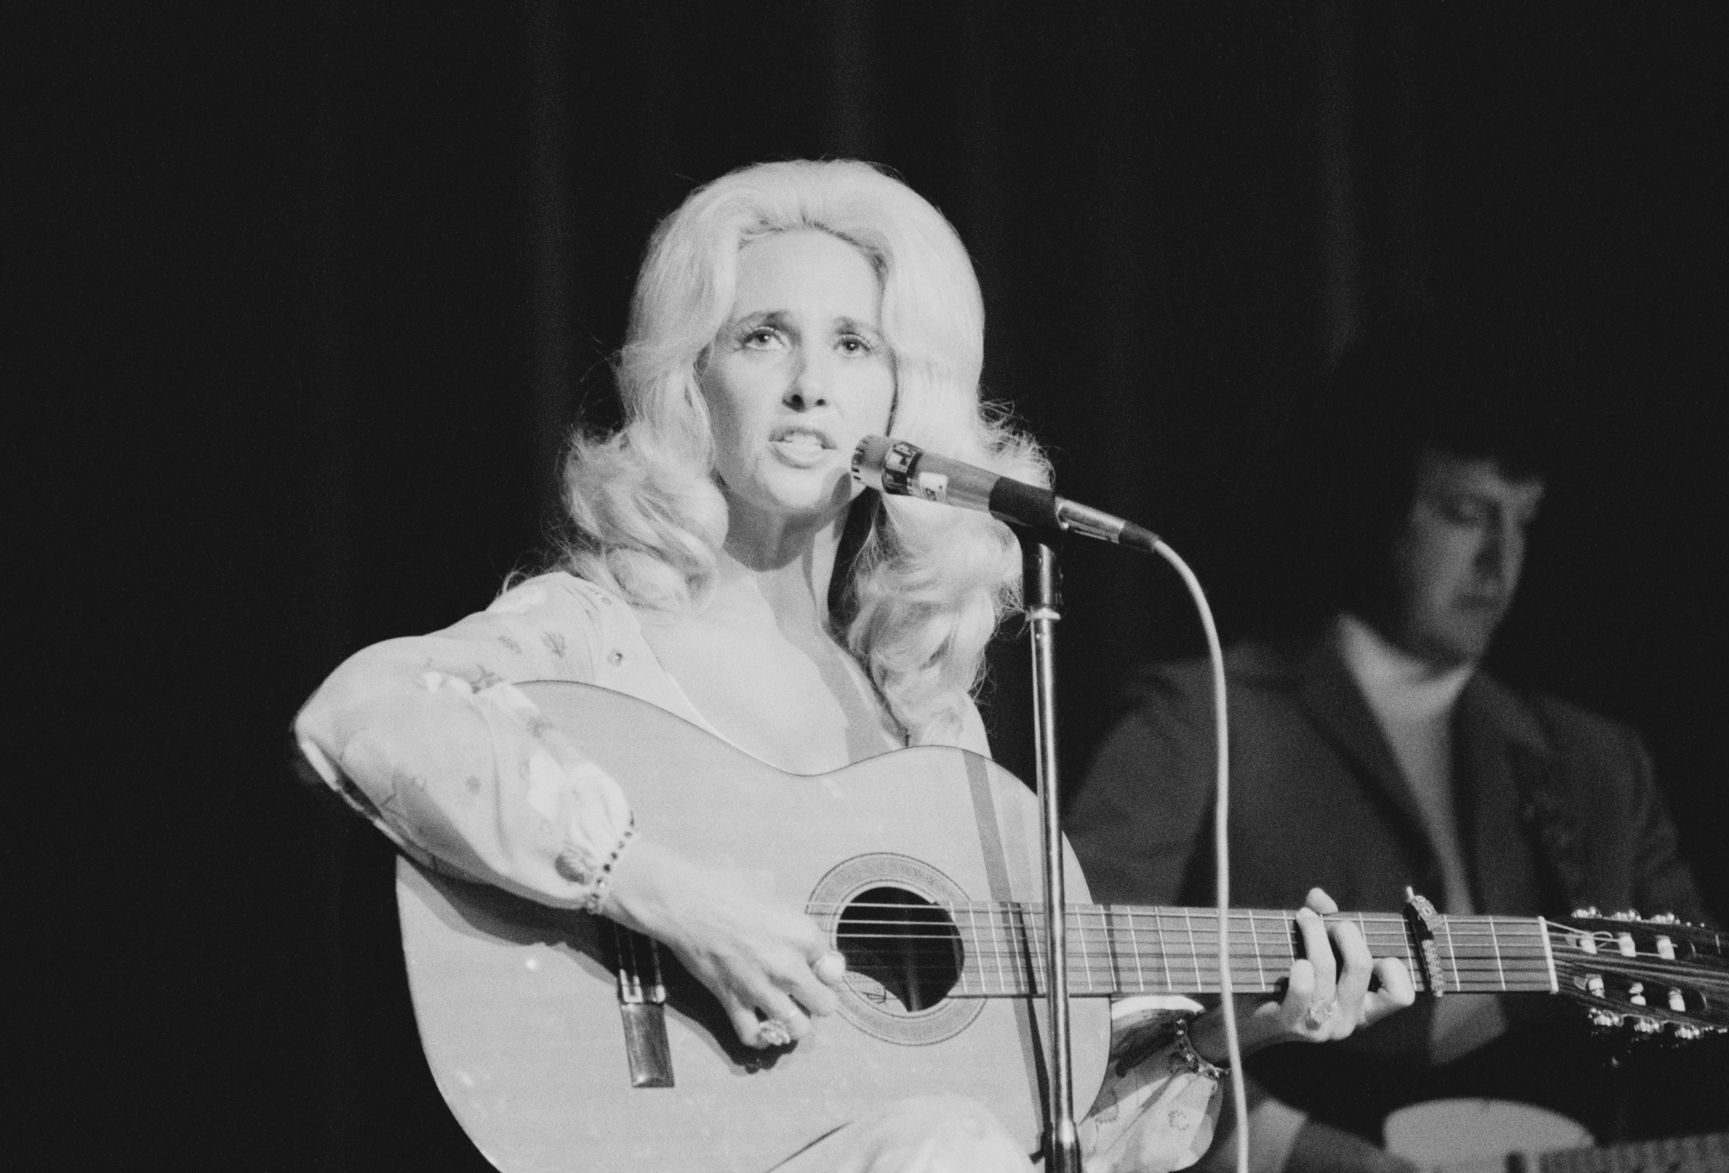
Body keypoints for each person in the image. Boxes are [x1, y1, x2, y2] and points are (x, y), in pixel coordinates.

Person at [292, 159, 1415, 1172]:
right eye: (761, 337)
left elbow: (1036, 1124)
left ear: (901, 399)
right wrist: (674, 897)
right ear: (693, 379)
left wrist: (1231, 1031)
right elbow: (362, 713)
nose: (808, 385)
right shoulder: (597, 632)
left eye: (853, 345)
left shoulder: (921, 714)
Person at [1066, 317, 1716, 1172]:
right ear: (1376, 510)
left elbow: (1717, 1024)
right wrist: (1303, 1151)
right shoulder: (1201, 715)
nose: (1501, 561)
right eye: (1464, 514)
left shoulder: (1598, 759)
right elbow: (1084, 997)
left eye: (1522, 520)